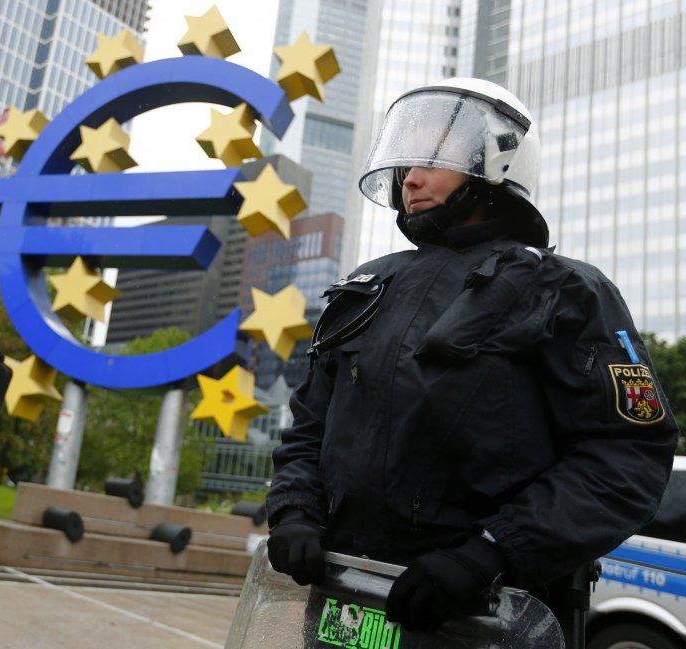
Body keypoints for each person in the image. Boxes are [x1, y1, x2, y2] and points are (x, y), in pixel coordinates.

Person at [265, 78, 679, 638]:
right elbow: (310, 426)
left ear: (501, 161)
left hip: (486, 615)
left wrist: (490, 552)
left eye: (435, 155)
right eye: (404, 159)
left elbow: (628, 454)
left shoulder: (567, 290)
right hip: (347, 604)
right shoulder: (366, 287)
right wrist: (294, 510)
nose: (409, 176)